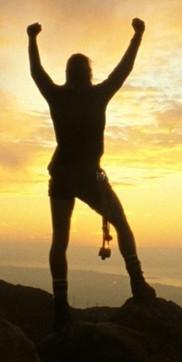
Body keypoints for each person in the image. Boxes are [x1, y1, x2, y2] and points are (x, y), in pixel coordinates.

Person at [27, 17, 156, 330]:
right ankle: (137, 283)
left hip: (61, 175)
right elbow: (123, 70)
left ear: (68, 73)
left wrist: (32, 39)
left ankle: (61, 308)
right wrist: (137, 37)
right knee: (122, 224)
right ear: (89, 73)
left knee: (60, 240)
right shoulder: (97, 95)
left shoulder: (56, 96)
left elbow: (36, 72)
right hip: (88, 176)